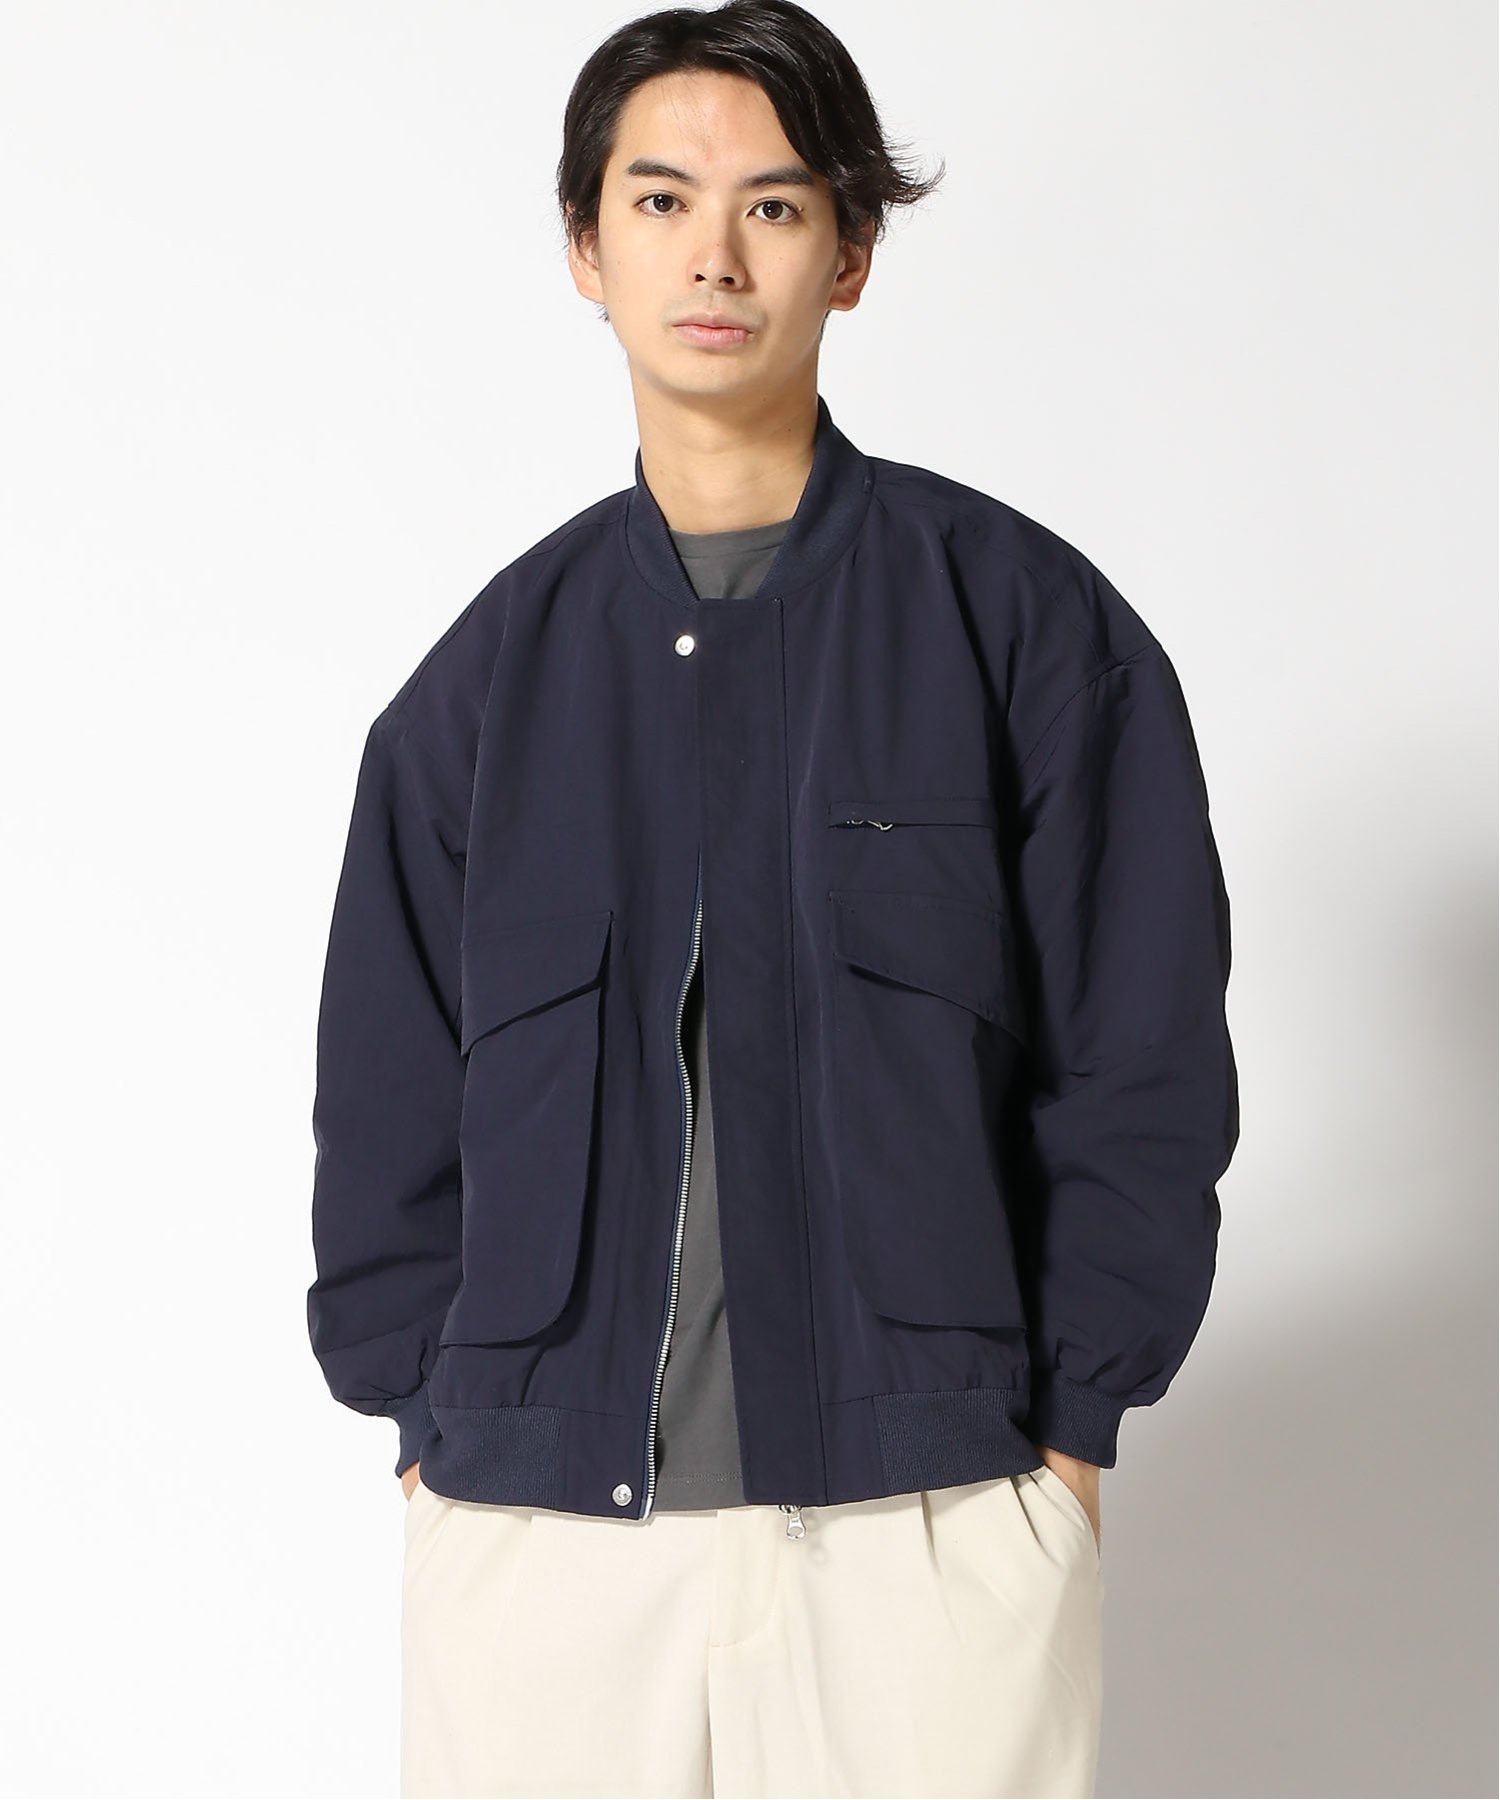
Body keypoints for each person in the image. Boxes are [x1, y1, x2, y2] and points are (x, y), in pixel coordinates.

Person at [305, 3, 1240, 1795]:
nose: (715, 257)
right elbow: (387, 1102)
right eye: (660, 202)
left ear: (852, 255)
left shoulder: (1028, 632)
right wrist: (428, 1429)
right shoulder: (482, 692)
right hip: (540, 1540)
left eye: (776, 207)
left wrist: (1064, 1447)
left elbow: (1141, 1068)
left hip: (933, 1520)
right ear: (587, 250)